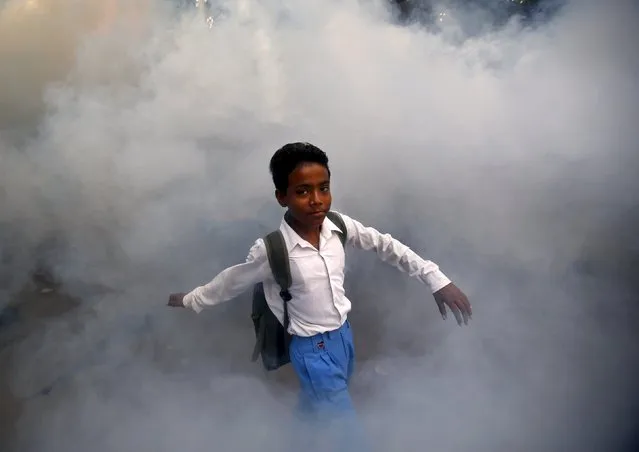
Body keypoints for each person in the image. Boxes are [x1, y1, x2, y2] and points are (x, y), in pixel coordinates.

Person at [167, 142, 472, 450]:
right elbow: (231, 281)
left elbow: (385, 245)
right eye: (302, 191)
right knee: (347, 433)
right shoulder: (272, 251)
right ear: (281, 197)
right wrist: (192, 299)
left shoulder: (338, 226)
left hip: (344, 339)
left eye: (323, 188)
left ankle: (297, 440)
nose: (317, 201)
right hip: (312, 352)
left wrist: (436, 280)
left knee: (316, 406)